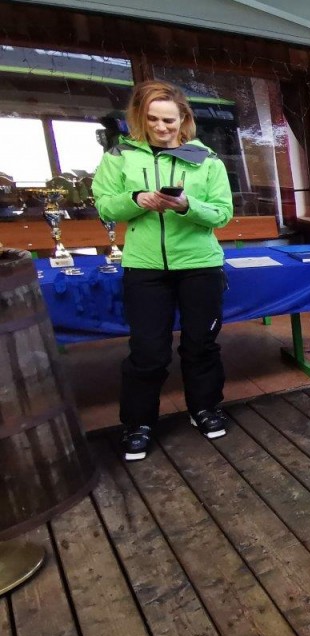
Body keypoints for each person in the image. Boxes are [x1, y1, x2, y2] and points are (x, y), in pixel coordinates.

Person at [93, 80, 233, 462]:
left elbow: (222, 213)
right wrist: (137, 199)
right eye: (153, 118)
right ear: (140, 117)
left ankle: (204, 408)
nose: (161, 127)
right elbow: (105, 206)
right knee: (148, 350)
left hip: (199, 265)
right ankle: (138, 423)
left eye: (169, 120)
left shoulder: (206, 159)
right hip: (145, 267)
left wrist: (187, 206)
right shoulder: (120, 156)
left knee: (201, 344)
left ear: (183, 119)